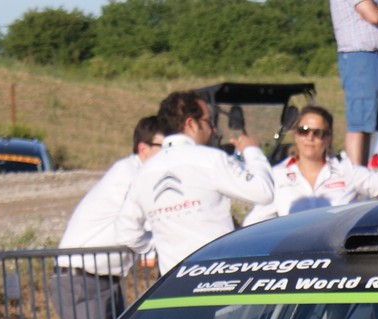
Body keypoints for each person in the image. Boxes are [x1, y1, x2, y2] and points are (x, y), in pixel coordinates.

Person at [116, 91, 273, 275]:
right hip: (218, 278)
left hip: (173, 284)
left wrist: (156, 245)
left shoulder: (144, 173)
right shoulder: (210, 159)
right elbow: (263, 191)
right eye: (209, 122)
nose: (213, 130)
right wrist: (252, 151)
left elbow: (125, 233)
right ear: (191, 123)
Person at [52, 115, 162, 319]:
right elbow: (145, 220)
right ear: (144, 148)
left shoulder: (139, 173)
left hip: (104, 280)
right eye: (163, 147)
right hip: (81, 279)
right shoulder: (129, 173)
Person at [241, 105, 378, 223]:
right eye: (304, 131)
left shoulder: (346, 171)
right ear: (295, 135)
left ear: (328, 138)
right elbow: (252, 223)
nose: (310, 137)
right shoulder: (277, 175)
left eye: (317, 133)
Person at [330, 0, 378, 167]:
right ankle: (357, 178)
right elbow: (375, 17)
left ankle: (363, 173)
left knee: (369, 124)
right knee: (359, 124)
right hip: (360, 57)